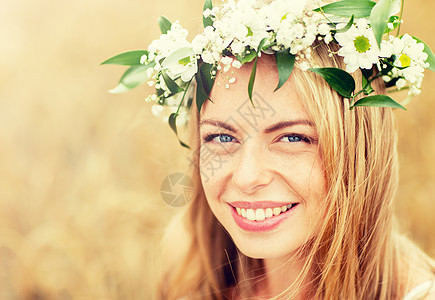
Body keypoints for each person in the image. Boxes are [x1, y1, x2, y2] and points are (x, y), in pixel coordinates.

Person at [104, 0, 435, 298]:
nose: (247, 178)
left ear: (359, 149)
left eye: (292, 138)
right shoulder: (189, 274)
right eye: (221, 137)